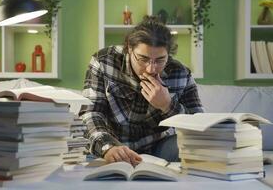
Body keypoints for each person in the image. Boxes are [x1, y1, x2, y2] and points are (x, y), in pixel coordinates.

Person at [79, 16, 203, 166]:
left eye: (160, 60)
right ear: (130, 49)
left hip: (159, 148)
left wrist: (167, 105)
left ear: (168, 54)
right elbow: (91, 113)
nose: (151, 68)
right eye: (143, 59)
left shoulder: (180, 73)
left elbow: (199, 127)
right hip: (113, 144)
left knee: (192, 146)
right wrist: (107, 147)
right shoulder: (104, 61)